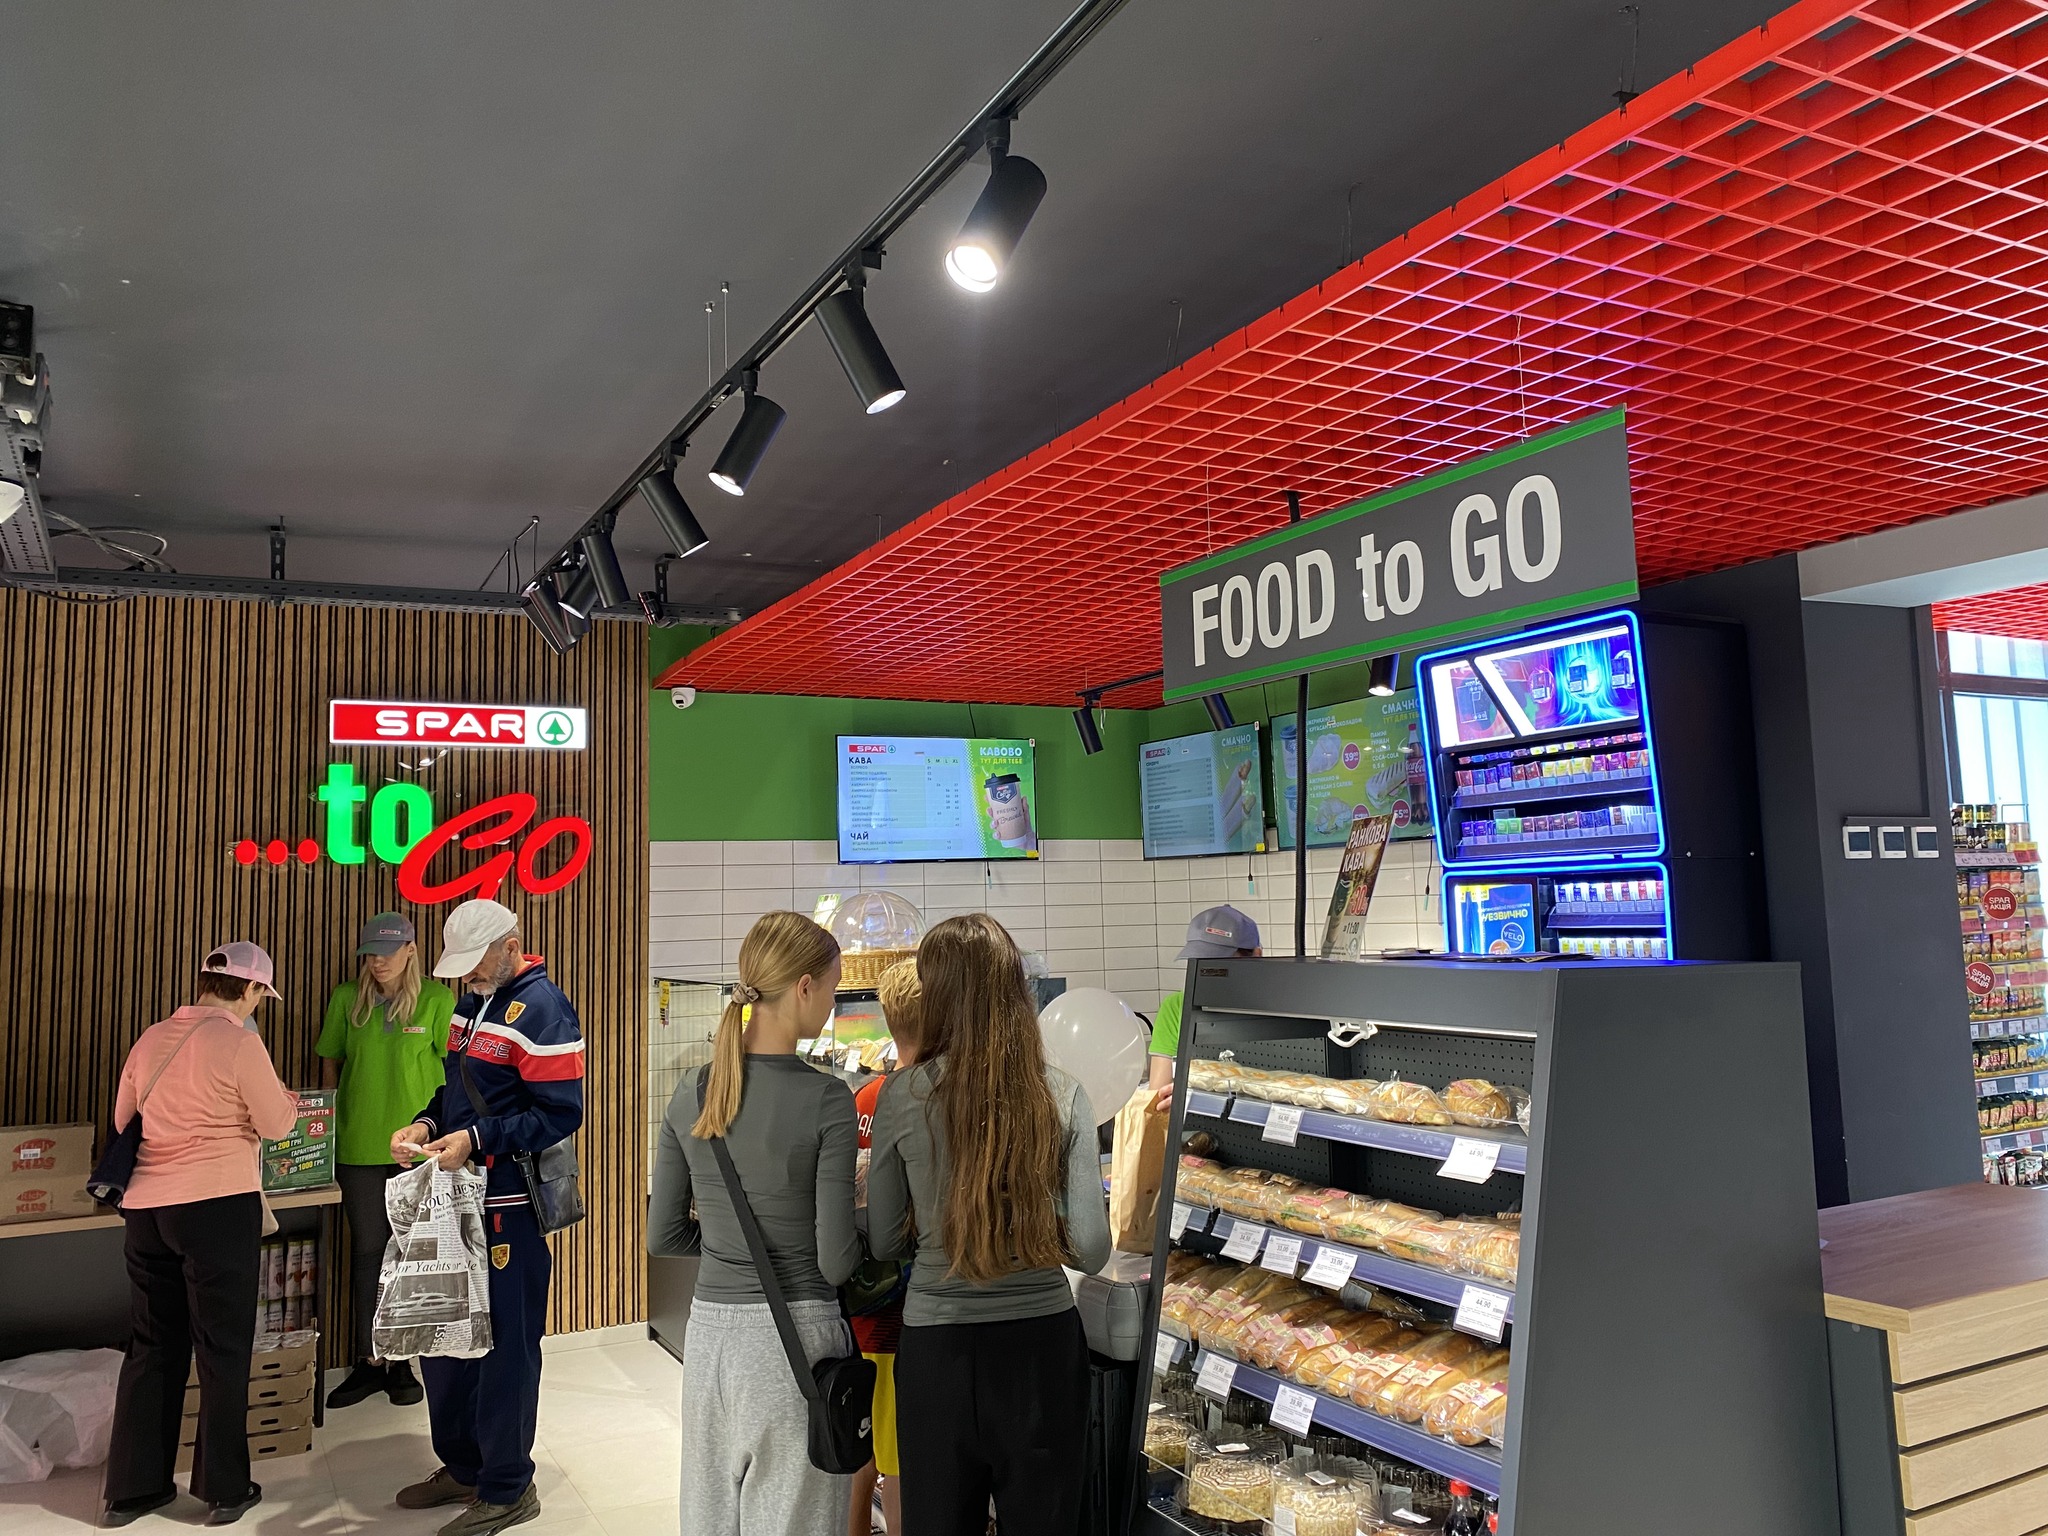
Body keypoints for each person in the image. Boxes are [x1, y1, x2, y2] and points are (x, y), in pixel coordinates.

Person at [867, 914, 1113, 1536]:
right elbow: (1090, 1248)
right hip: (1040, 1353)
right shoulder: (1062, 1094)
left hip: (936, 1352)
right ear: (1016, 993)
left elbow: (884, 1239)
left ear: (936, 997)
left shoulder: (902, 1095)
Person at [648, 910, 861, 1536]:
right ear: (803, 987)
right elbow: (835, 1262)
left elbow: (663, 1234)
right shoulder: (828, 1099)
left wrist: (728, 1247)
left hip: (711, 1338)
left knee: (711, 1517)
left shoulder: (693, 1091)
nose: (833, 1001)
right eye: (833, 986)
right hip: (798, 1340)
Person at [387, 899, 585, 1536]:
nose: (468, 976)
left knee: (504, 1349)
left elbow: (560, 1113)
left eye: (476, 963)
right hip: (454, 1199)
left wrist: (477, 1140)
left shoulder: (545, 1008)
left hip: (508, 1207)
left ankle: (506, 1487)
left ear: (511, 946)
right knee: (445, 1338)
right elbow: (454, 1091)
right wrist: (425, 1124)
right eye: (462, 966)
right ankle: (465, 1467)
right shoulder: (469, 1004)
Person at [101, 943, 300, 1529]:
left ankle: (133, 1490)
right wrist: (284, 1103)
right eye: (261, 993)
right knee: (222, 1347)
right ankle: (224, 1489)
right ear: (250, 989)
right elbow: (276, 1123)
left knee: (151, 1345)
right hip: (216, 1205)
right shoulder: (240, 1042)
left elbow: (123, 1121)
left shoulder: (151, 1038)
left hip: (146, 1210)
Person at [317, 911, 457, 1410]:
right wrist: (328, 1123)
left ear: (411, 950)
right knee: (368, 1253)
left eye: (387, 952)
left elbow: (455, 1075)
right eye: (370, 954)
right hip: (357, 1148)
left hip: (418, 1152)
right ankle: (369, 1359)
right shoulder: (345, 1000)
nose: (377, 962)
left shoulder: (439, 1001)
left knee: (414, 1255)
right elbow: (331, 1061)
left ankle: (404, 1361)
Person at [847, 962, 920, 1536]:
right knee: (900, 1465)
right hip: (906, 1315)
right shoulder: (924, 1100)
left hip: (861, 1307)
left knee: (863, 1448)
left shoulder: (865, 1096)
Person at [1147, 905, 1262, 1109]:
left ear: (1256, 956)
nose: (1208, 972)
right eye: (1199, 961)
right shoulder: (1176, 1007)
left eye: (1219, 963)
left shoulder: (1276, 1009)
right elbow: (1158, 1098)